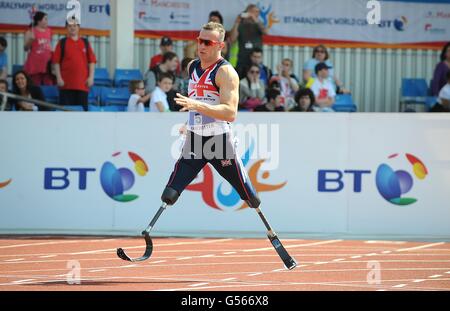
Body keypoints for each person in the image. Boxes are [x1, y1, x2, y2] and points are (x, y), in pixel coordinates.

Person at [160, 21, 261, 213]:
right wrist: (189, 118)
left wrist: (196, 105)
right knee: (170, 192)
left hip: (219, 141)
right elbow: (197, 101)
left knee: (249, 195)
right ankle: (148, 232)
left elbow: (230, 113)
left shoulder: (226, 72)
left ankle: (269, 229)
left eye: (208, 42)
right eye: (200, 41)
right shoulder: (192, 67)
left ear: (220, 46)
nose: (201, 46)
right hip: (195, 138)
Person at [52, 16, 97, 111]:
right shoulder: (62, 42)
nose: (72, 27)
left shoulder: (85, 42)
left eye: (75, 25)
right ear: (66, 28)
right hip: (65, 86)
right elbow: (56, 62)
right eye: (70, 26)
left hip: (82, 85)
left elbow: (92, 61)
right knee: (66, 113)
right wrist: (59, 78)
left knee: (81, 114)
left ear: (79, 27)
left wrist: (91, 77)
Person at [230, 4, 268, 77]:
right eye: (253, 12)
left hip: (256, 61)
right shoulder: (240, 25)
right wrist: (237, 22)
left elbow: (266, 32)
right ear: (247, 12)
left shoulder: (258, 24)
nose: (256, 14)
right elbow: (232, 39)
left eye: (257, 12)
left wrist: (255, 19)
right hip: (242, 61)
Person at [23, 11, 54, 86]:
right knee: (35, 84)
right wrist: (30, 40)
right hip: (35, 63)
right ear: (39, 21)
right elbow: (25, 48)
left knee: (48, 84)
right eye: (45, 19)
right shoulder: (30, 31)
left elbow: (49, 45)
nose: (47, 21)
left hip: (47, 63)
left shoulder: (49, 31)